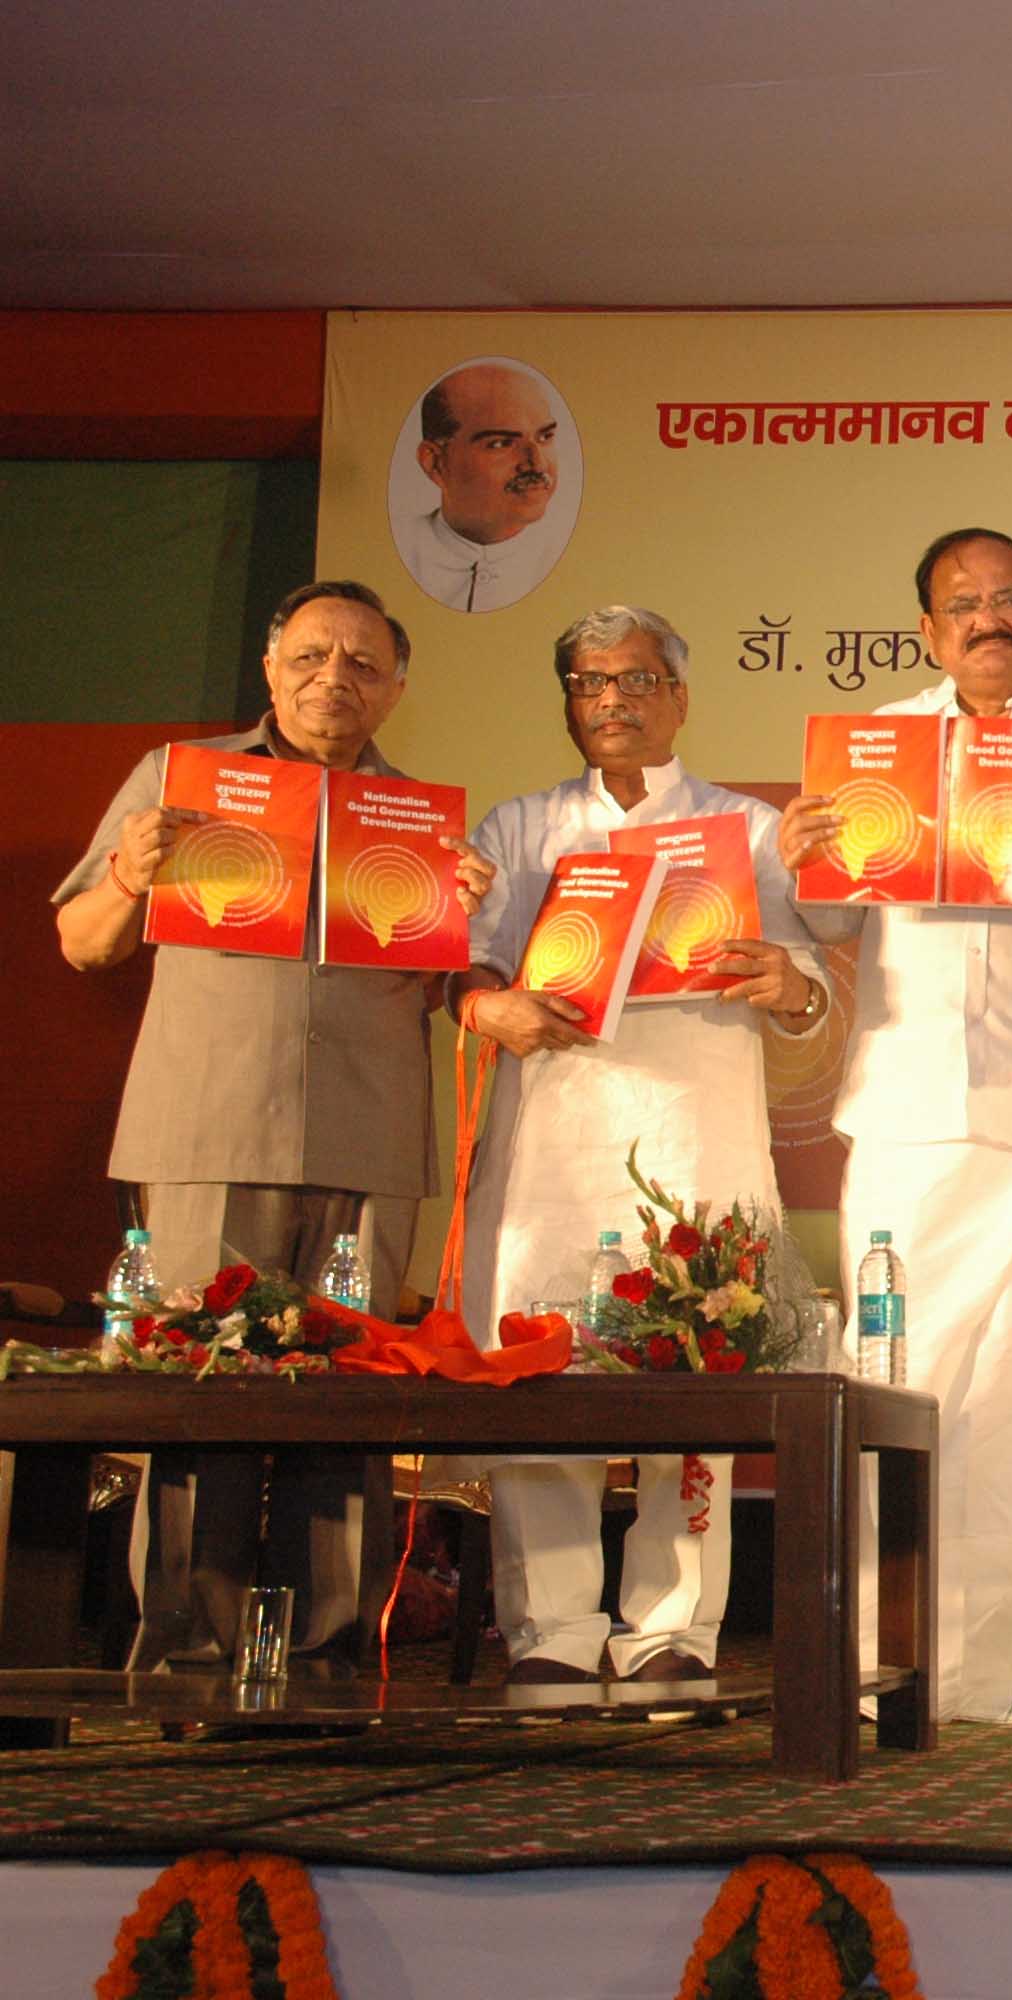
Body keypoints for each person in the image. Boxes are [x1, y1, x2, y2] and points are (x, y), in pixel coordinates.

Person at [53, 579, 490, 1672]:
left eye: (359, 661)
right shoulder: (181, 778)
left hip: (367, 1137)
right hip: (209, 1129)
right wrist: (127, 875)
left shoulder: (424, 820)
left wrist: (471, 915)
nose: (331, 677)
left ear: (395, 682)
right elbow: (84, 941)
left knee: (344, 1406)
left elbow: (461, 989)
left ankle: (329, 1659)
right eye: (308, 655)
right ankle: (188, 1659)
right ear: (269, 667)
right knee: (199, 1398)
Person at [778, 527, 1012, 1724]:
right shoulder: (876, 748)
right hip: (910, 1103)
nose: (988, 619)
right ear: (929, 631)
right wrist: (806, 858)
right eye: (961, 605)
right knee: (907, 1375)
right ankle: (897, 1658)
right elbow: (831, 917)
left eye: (1008, 599)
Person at [448, 605, 824, 1686]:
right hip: (551, 1145)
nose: (611, 701)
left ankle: (672, 1629)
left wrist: (783, 983)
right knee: (541, 1371)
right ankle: (552, 1632)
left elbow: (804, 994)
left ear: (679, 698)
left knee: (696, 1375)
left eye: (635, 681)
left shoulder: (746, 831)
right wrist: (490, 1010)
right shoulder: (517, 827)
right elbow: (464, 970)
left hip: (692, 1137)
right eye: (588, 683)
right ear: (568, 700)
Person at [399, 361, 564, 613]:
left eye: (545, 437)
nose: (537, 463)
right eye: (501, 443)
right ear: (435, 462)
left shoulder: (564, 557)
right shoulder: (401, 551)